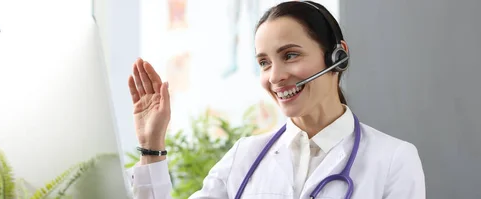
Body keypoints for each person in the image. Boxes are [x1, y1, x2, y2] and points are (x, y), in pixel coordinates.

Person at [127, 1, 426, 199]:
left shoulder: (393, 159)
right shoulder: (245, 157)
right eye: (264, 63)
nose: (275, 76)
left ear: (337, 55)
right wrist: (152, 146)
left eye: (290, 55)